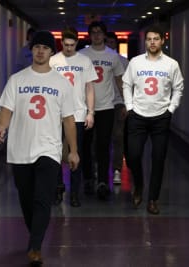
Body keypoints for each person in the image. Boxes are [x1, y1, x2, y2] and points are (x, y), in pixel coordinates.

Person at [0, 31, 79, 266]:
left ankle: (35, 247)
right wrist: (1, 127)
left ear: (52, 52)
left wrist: (72, 150)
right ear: (31, 50)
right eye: (37, 47)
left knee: (42, 198)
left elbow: (69, 119)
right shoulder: (17, 80)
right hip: (20, 149)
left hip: (49, 149)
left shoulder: (61, 83)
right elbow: (6, 111)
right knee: (26, 198)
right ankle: (36, 236)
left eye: (45, 47)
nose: (40, 51)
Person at [122, 24, 184, 214]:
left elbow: (178, 88)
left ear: (162, 41)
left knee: (158, 159)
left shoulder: (171, 64)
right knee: (133, 156)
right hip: (137, 116)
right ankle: (139, 185)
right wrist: (130, 108)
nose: (152, 42)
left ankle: (152, 199)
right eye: (149, 39)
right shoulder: (136, 62)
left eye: (156, 38)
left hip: (160, 118)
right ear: (145, 41)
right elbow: (126, 84)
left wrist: (171, 109)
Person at [49, 26, 97, 207]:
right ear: (61, 42)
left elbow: (89, 88)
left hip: (77, 113)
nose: (69, 48)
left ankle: (75, 193)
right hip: (55, 113)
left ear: (77, 42)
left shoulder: (85, 61)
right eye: (66, 45)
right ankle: (58, 187)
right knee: (55, 153)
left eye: (72, 45)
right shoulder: (53, 61)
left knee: (76, 153)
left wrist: (90, 112)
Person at [79, 21, 125, 200]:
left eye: (100, 32)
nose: (97, 35)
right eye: (93, 32)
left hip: (106, 107)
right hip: (85, 108)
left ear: (104, 35)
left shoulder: (113, 56)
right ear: (89, 35)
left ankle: (103, 182)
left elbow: (120, 81)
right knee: (85, 145)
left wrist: (127, 102)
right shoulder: (82, 55)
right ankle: (89, 178)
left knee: (103, 146)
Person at [105, 32, 129, 185]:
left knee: (118, 137)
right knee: (99, 139)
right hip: (102, 103)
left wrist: (127, 104)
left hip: (118, 103)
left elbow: (128, 84)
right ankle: (98, 167)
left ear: (116, 44)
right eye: (107, 42)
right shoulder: (96, 60)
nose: (110, 45)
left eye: (112, 42)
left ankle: (117, 170)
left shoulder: (124, 62)